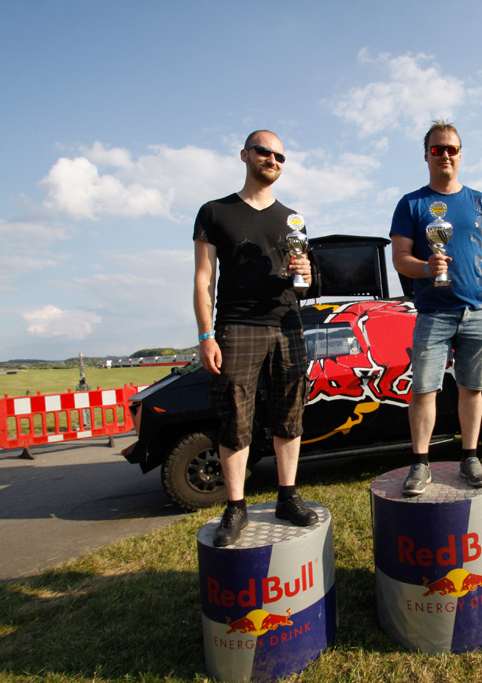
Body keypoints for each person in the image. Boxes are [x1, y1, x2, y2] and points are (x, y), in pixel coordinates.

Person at [194, 129, 319, 547]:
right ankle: (235, 506)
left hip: (287, 323)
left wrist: (306, 274)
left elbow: (305, 281)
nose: (273, 160)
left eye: (280, 156)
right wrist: (206, 334)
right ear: (245, 155)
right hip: (237, 325)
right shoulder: (215, 212)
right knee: (235, 417)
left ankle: (288, 496)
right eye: (264, 152)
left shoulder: (293, 218)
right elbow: (203, 278)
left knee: (290, 412)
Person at [390, 119, 482, 496]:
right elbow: (400, 259)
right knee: (424, 390)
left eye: (451, 149)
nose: (445, 155)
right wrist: (427, 268)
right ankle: (420, 464)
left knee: (472, 388)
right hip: (433, 313)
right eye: (437, 149)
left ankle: (470, 458)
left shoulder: (481, 202)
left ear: (460, 154)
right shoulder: (411, 203)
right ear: (426, 155)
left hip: (477, 312)